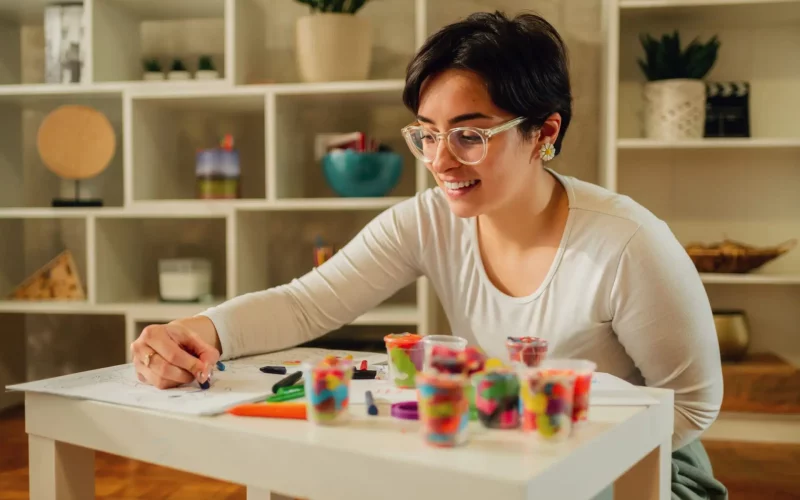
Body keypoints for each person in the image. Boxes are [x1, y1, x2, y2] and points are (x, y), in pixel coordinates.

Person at [130, 11, 727, 499]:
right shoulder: (428, 220)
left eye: (470, 134)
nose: (441, 160)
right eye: (427, 133)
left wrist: (543, 441)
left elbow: (694, 406)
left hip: (645, 469)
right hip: (506, 452)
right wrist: (194, 330)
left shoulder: (626, 244)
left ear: (544, 133)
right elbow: (305, 305)